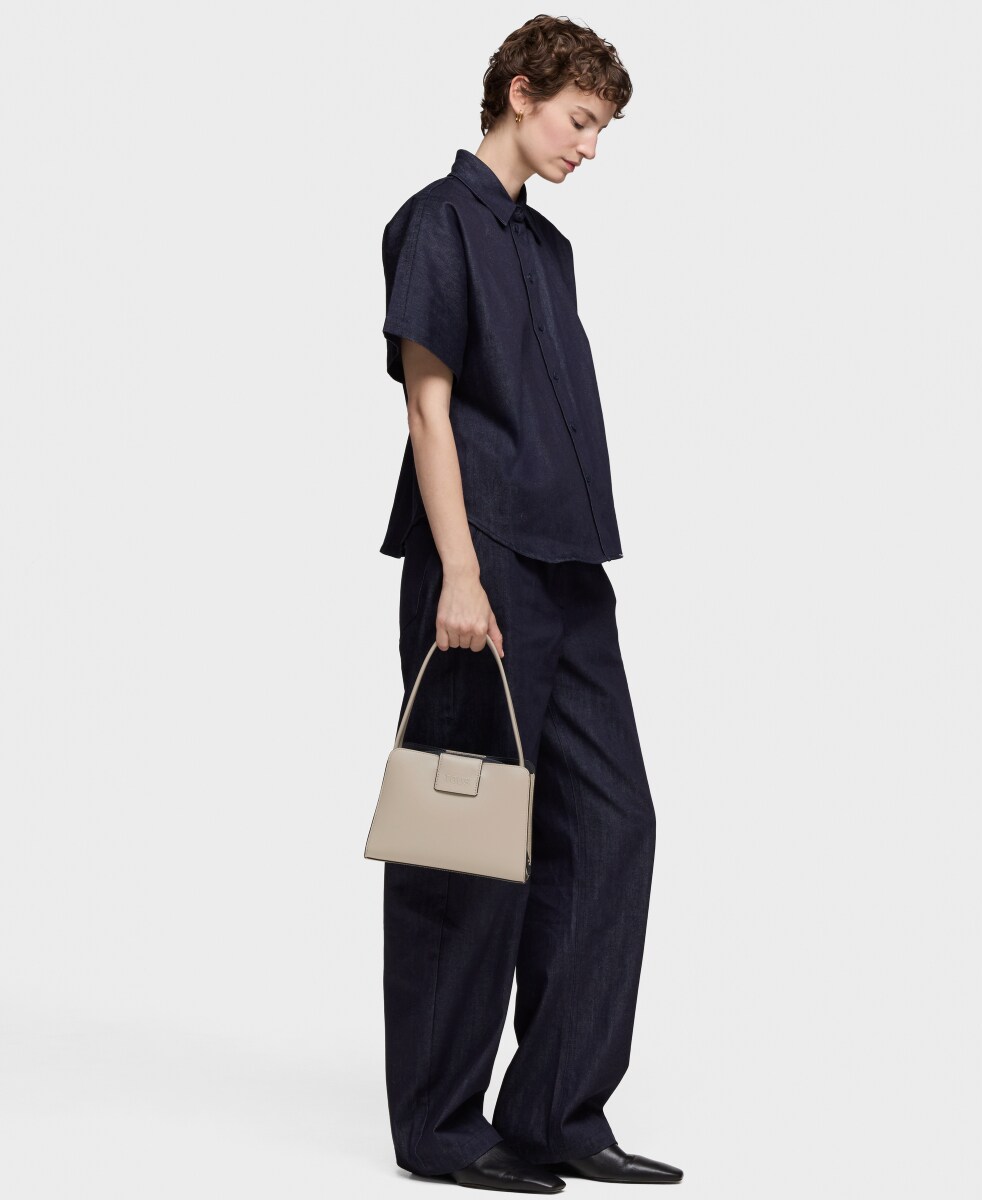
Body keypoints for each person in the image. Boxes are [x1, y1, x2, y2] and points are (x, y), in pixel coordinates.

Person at [376, 15, 683, 1195]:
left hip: (570, 569)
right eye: (580, 121)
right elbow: (429, 409)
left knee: (614, 827)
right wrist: (458, 571)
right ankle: (442, 1127)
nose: (589, 148)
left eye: (600, 130)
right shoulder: (433, 222)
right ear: (521, 92)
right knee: (466, 842)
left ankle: (558, 1110)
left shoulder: (549, 251)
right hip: (483, 562)